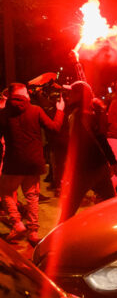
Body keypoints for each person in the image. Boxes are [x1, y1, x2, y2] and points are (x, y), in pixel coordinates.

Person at [0, 83, 64, 244]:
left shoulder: (4, 113)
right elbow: (55, 128)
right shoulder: (36, 110)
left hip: (13, 162)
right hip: (34, 161)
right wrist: (60, 111)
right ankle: (33, 232)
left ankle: (17, 223)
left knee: (6, 192)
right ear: (23, 94)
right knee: (32, 197)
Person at [58, 82, 117, 223]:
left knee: (67, 212)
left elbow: (74, 146)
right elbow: (101, 139)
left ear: (79, 95)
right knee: (111, 204)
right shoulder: (93, 112)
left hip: (84, 171)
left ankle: (56, 239)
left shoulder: (77, 115)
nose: (69, 96)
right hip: (100, 167)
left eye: (72, 92)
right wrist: (112, 161)